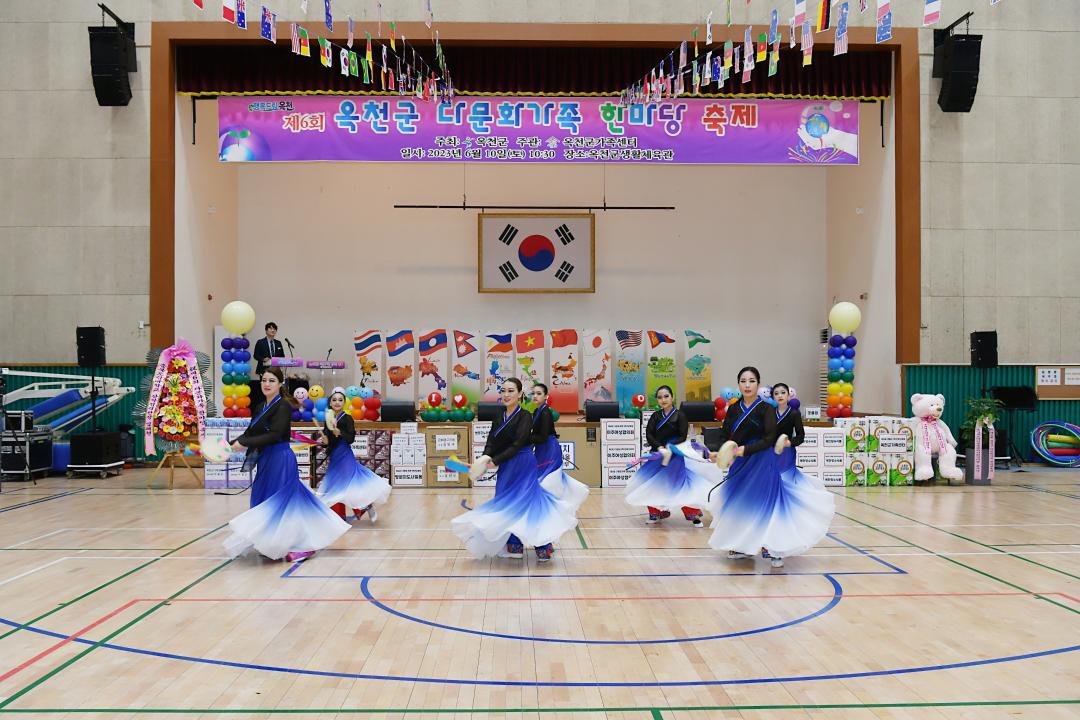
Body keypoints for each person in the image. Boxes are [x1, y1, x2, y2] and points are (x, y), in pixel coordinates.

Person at [708, 368, 833, 568]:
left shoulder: (766, 408)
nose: (747, 385)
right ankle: (742, 546)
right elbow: (724, 434)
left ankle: (775, 548)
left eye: (751, 381)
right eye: (743, 381)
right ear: (738, 384)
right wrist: (721, 450)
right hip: (740, 464)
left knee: (769, 504)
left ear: (758, 384)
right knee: (740, 504)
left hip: (762, 461)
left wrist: (745, 449)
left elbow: (768, 439)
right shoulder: (733, 409)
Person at [223, 367, 349, 561]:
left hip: (280, 459)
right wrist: (229, 446)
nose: (266, 384)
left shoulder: (282, 406)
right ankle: (269, 542)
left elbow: (275, 435)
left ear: (280, 384)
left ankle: (301, 545)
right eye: (264, 380)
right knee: (262, 500)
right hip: (265, 459)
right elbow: (250, 433)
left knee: (282, 503)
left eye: (271, 380)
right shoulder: (259, 406)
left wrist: (245, 443)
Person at [451, 378, 577, 561]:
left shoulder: (525, 415)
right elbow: (491, 442)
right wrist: (484, 459)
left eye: (511, 391)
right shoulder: (498, 414)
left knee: (527, 502)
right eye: (503, 391)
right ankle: (514, 546)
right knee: (504, 503)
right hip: (506, 464)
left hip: (522, 462)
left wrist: (495, 461)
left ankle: (542, 546)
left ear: (519, 394)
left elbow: (518, 444)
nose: (506, 395)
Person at [624, 385, 715, 526]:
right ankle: (656, 513)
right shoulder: (655, 416)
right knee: (653, 484)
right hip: (658, 454)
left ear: (672, 397)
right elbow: (649, 434)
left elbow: (682, 436)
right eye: (660, 397)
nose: (663, 400)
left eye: (666, 396)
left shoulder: (680, 415)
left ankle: (693, 515)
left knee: (681, 485)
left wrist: (670, 447)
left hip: (675, 456)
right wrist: (660, 447)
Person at [316, 388, 391, 522]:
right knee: (336, 486)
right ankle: (340, 517)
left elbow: (351, 438)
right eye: (334, 400)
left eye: (340, 400)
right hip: (334, 457)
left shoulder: (347, 418)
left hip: (345, 455)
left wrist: (340, 433)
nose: (337, 402)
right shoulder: (329, 418)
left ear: (344, 403)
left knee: (351, 484)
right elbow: (328, 439)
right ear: (330, 403)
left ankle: (367, 506)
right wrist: (325, 441)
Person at [529, 383, 588, 511]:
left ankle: (554, 508)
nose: (535, 396)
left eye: (538, 394)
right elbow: (536, 435)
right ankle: (547, 508)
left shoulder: (545, 412)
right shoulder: (536, 411)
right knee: (542, 480)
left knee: (548, 481)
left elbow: (543, 436)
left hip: (549, 449)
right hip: (541, 450)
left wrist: (525, 439)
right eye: (533, 393)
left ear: (546, 396)